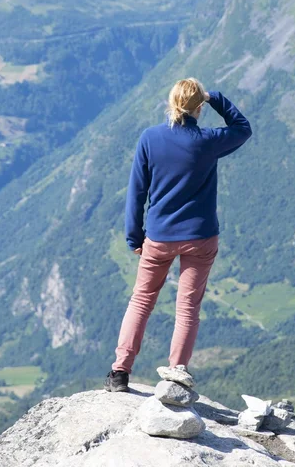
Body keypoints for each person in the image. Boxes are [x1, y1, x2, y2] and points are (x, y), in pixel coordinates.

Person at [105, 77, 252, 392]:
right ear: (199, 107)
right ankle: (176, 374)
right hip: (201, 236)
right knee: (188, 307)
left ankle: (120, 372)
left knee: (142, 300)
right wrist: (216, 98)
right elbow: (242, 128)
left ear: (172, 103)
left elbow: (136, 192)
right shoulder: (208, 140)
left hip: (158, 237)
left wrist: (134, 237)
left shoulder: (150, 138)